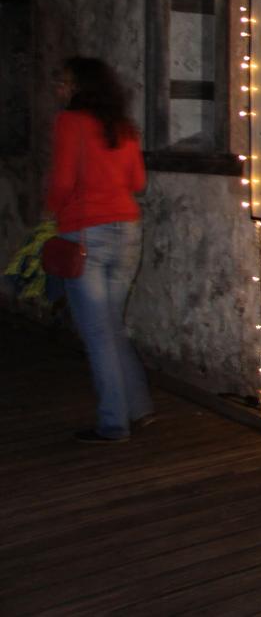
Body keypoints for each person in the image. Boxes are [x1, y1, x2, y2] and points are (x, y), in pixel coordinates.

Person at [46, 57, 152, 443]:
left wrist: (50, 213)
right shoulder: (123, 128)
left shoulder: (69, 123)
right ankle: (138, 408)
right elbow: (137, 182)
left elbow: (62, 181)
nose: (58, 87)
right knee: (111, 326)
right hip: (127, 230)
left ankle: (113, 423)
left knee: (97, 333)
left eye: (64, 81)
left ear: (79, 87)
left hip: (86, 234)